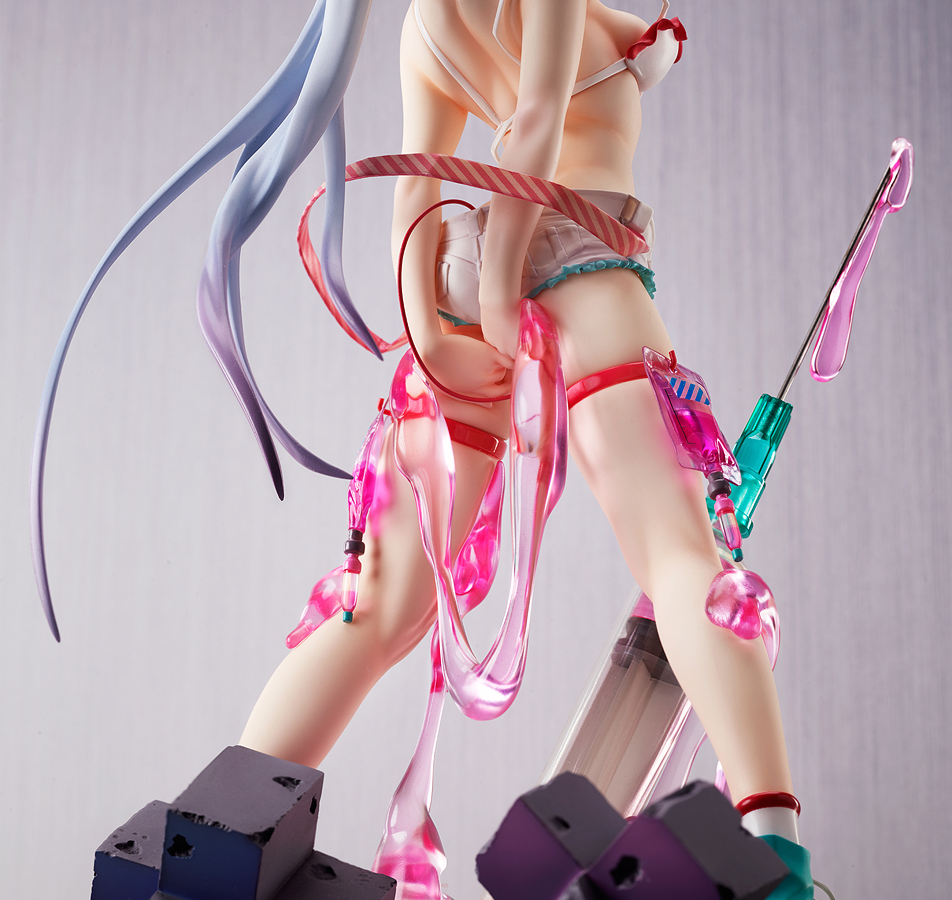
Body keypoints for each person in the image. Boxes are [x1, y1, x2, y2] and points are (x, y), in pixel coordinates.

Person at [31, 2, 815, 897]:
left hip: (455, 275)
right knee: (679, 557)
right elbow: (536, 124)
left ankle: (212, 855)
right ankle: (776, 852)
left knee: (381, 606)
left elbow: (417, 191)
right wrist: (501, 302)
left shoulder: (425, 23)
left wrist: (437, 332)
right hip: (578, 251)